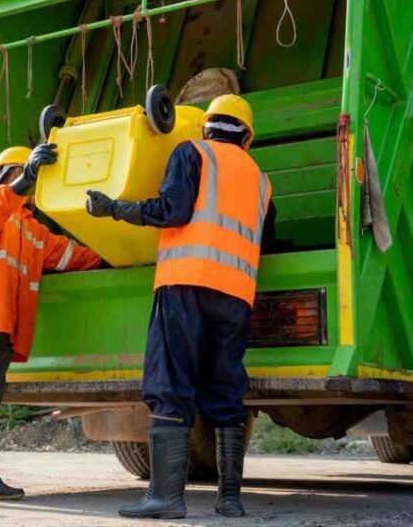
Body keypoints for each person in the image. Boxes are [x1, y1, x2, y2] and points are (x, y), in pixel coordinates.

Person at [86, 94, 275, 519]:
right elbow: (268, 240)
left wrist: (114, 208)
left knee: (170, 384)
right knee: (226, 390)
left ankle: (167, 498)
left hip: (185, 285)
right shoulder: (262, 180)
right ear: (247, 136)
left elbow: (171, 210)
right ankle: (230, 500)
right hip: (235, 296)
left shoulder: (192, 152)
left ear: (207, 126)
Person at [0, 144, 102, 505]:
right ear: (8, 174)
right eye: (22, 173)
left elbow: (70, 255)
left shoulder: (33, 230)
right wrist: (25, 178)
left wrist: (112, 255)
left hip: (4, 326)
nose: (26, 182)